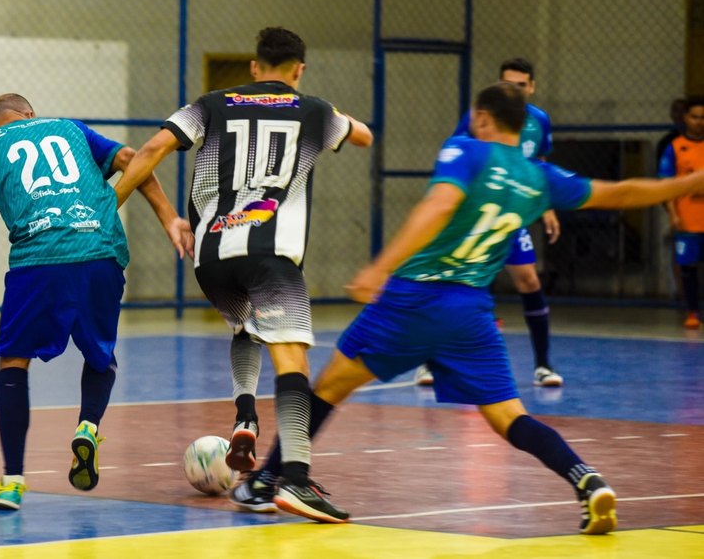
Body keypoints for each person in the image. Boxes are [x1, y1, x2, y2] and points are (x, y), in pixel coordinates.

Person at [233, 81, 704, 532]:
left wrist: (381, 266)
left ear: (481, 118)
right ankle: (586, 478)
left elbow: (440, 204)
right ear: (523, 127)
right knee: (508, 417)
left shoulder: (466, 150)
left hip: (413, 297)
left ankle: (265, 480)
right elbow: (621, 193)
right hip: (470, 311)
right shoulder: (539, 175)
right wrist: (694, 181)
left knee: (328, 387)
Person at [111, 27, 373, 522]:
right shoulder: (314, 109)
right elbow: (363, 136)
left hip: (211, 259)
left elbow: (149, 152)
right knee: (291, 358)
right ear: (299, 69)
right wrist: (338, 116)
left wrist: (112, 207)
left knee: (247, 326)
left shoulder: (210, 103)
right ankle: (294, 478)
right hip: (271, 252)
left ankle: (245, 414)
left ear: (254, 68)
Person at [0, 93, 190, 511]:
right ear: (30, 114)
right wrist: (170, 217)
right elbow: (137, 159)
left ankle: (11, 481)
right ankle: (88, 426)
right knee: (101, 356)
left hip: (38, 259)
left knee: (14, 362)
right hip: (101, 249)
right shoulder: (69, 127)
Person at [415, 57, 562, 388]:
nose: (516, 90)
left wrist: (547, 206)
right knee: (449, 283)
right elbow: (457, 152)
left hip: (510, 215)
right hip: (474, 215)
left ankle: (543, 365)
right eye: (509, 84)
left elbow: (540, 163)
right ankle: (428, 361)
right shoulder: (477, 119)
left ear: (532, 87)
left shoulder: (539, 121)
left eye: (522, 85)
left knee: (528, 280)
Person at [658, 95, 704, 328]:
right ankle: (692, 312)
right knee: (687, 268)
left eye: (702, 118)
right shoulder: (674, 148)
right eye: (694, 117)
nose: (699, 122)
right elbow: (666, 185)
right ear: (686, 118)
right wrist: (673, 214)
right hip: (687, 219)